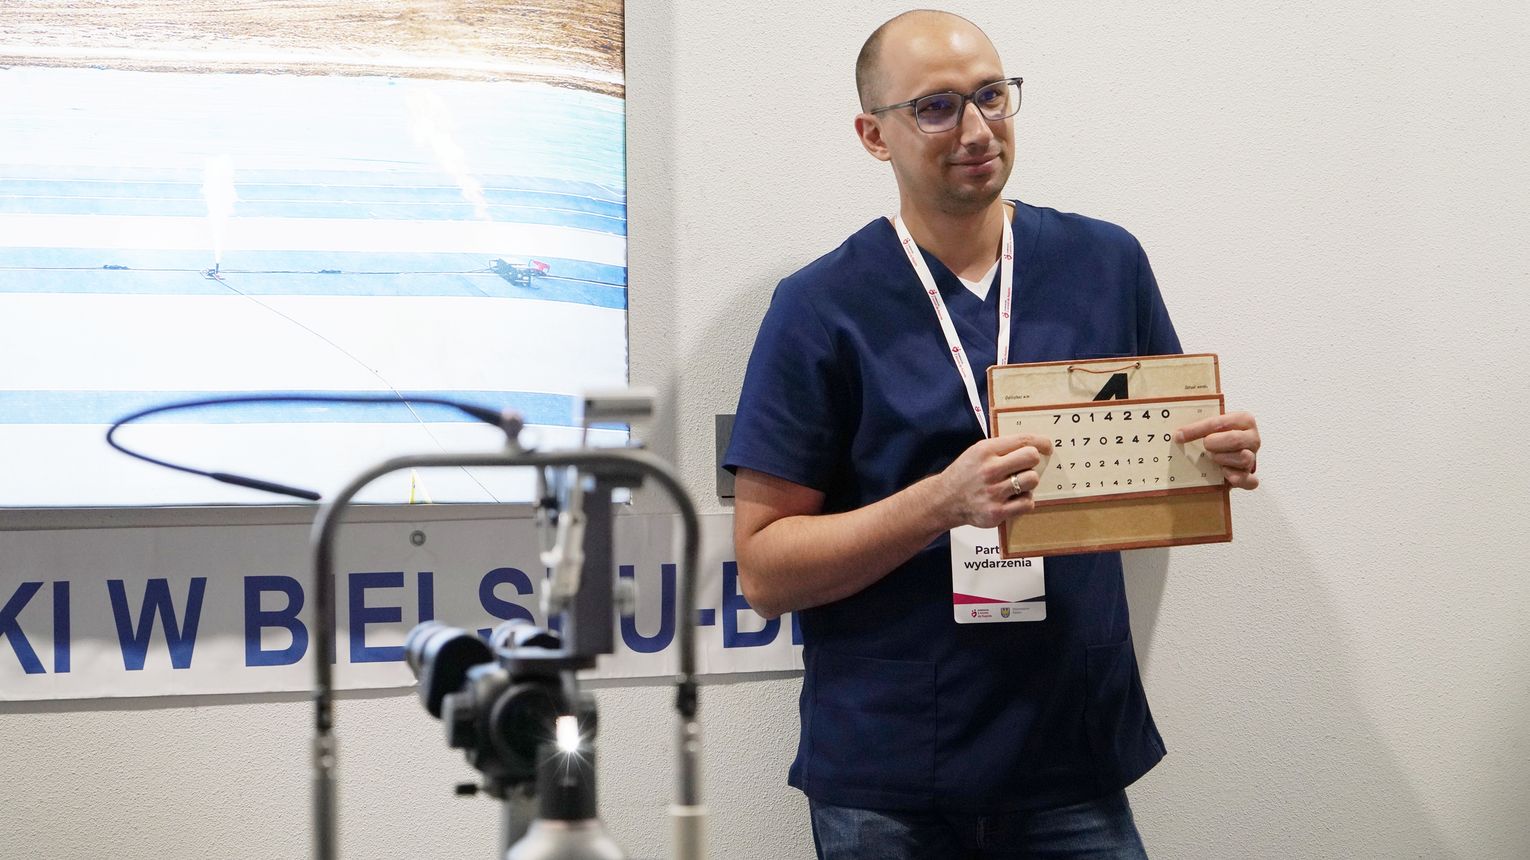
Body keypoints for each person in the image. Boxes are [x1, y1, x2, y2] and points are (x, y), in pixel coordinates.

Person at [723, 10, 1261, 859]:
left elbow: (1156, 467)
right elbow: (764, 570)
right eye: (936, 107)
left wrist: (1207, 462)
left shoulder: (1105, 264)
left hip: (1071, 749)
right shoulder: (818, 307)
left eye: (991, 96)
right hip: (890, 769)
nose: (976, 130)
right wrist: (942, 503)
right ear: (873, 135)